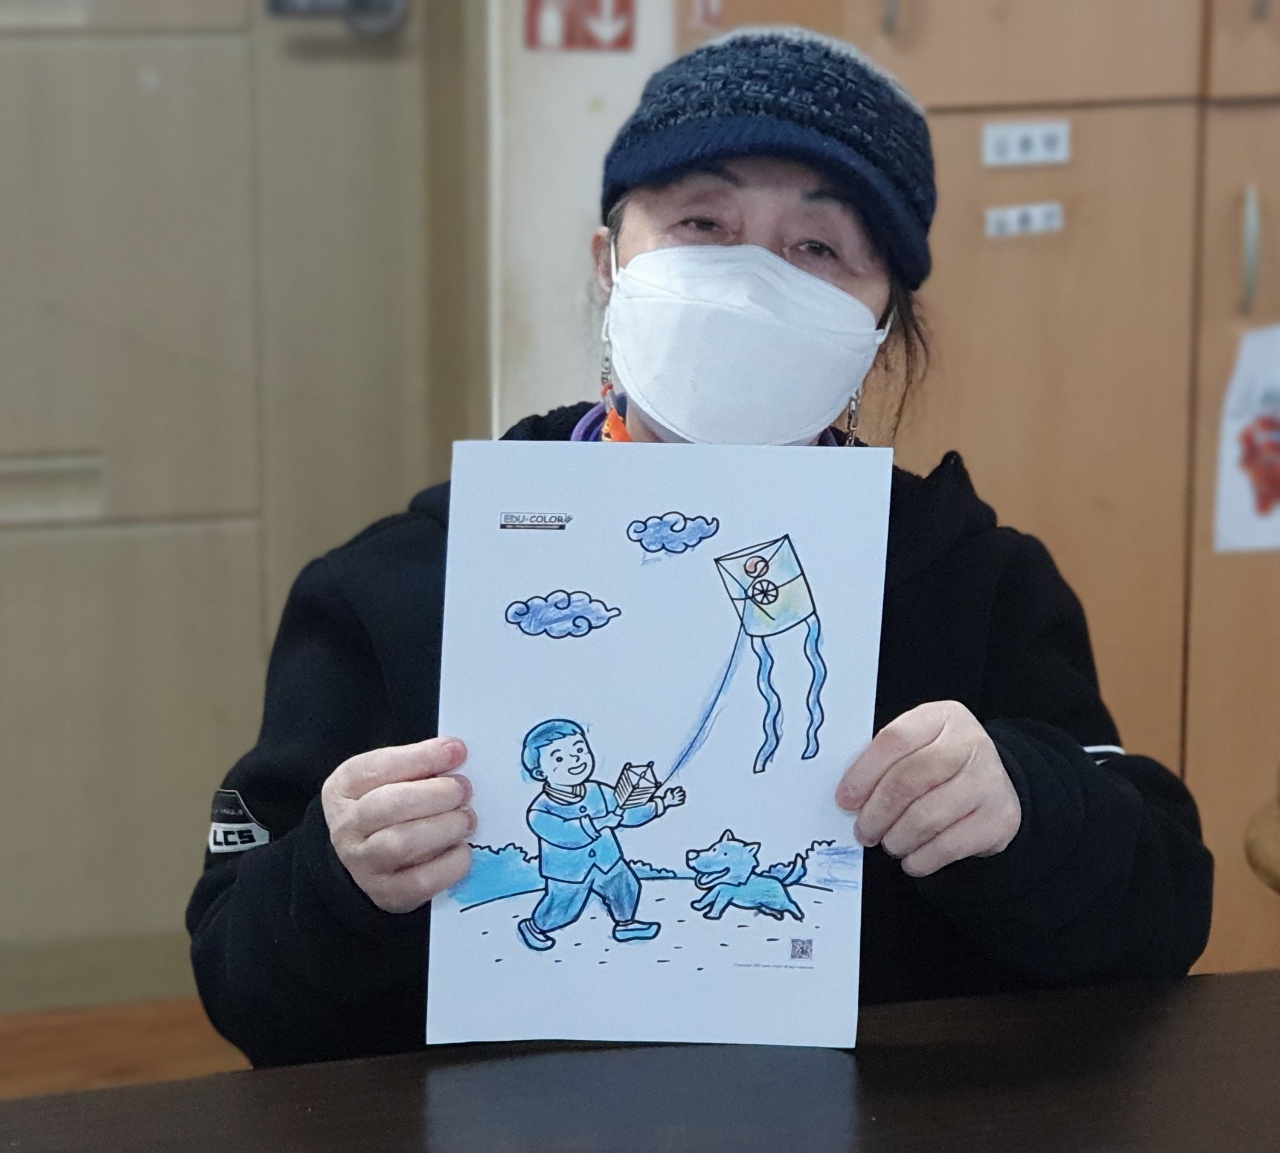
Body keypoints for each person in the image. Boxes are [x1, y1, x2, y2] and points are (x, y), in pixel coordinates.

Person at [187, 28, 1213, 1068]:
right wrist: (342, 878)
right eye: (701, 223)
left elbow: (1161, 914)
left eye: (818, 248)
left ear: (879, 324)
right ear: (607, 264)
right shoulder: (401, 586)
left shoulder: (979, 583)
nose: (750, 279)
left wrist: (1025, 808)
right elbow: (242, 979)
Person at [516, 719, 685, 951]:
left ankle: (626, 924)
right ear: (539, 772)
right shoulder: (540, 811)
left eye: (579, 750)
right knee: (565, 907)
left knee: (625, 887)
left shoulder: (600, 791)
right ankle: (536, 927)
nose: (575, 760)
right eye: (559, 758)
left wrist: (660, 804)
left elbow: (626, 813)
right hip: (569, 872)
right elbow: (566, 834)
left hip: (608, 860)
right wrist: (600, 823)